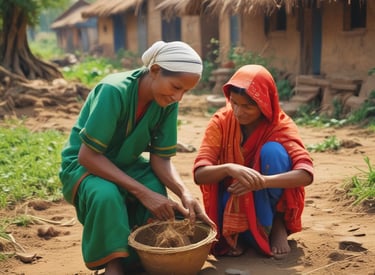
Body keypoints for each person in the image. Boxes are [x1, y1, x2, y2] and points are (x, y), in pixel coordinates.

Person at [59, 40, 214, 275]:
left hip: (127, 164)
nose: (179, 97)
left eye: (185, 91)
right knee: (106, 195)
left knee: (154, 184)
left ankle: (142, 256)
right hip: (85, 166)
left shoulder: (167, 101)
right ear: (155, 71)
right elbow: (87, 156)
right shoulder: (114, 91)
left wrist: (184, 194)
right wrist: (141, 193)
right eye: (176, 87)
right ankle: (114, 264)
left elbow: (161, 160)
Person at [193, 64, 314, 260]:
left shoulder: (280, 125)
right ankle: (237, 234)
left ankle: (277, 224)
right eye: (234, 103)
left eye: (248, 106)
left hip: (268, 194)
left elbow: (306, 174)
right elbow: (200, 174)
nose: (239, 112)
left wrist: (262, 181)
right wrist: (229, 169)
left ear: (265, 104)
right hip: (232, 197)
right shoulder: (221, 122)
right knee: (230, 206)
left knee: (273, 152)